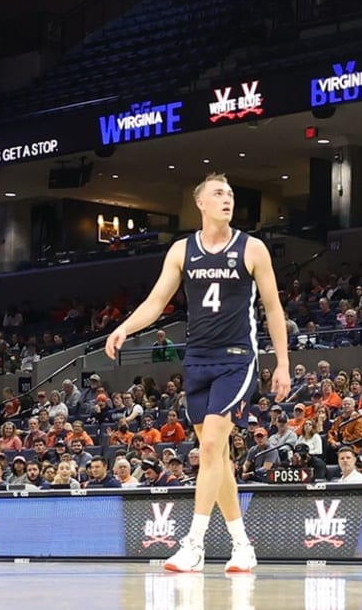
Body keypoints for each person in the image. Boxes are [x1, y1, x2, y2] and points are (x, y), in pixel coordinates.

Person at [105, 172, 290, 574]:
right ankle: (243, 545)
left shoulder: (253, 248)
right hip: (197, 359)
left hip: (237, 357)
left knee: (209, 448)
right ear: (200, 204)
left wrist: (283, 363)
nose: (227, 199)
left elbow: (274, 308)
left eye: (230, 194)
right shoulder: (181, 251)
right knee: (216, 455)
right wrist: (124, 328)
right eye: (218, 194)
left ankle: (194, 543)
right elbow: (157, 302)